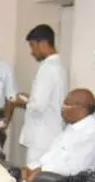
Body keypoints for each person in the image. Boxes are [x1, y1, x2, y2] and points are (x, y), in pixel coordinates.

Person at [20, 88, 95, 182]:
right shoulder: (72, 127)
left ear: (81, 109)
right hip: (44, 178)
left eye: (66, 105)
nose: (62, 108)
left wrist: (40, 171)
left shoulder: (92, 134)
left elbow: (74, 169)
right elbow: (52, 155)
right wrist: (31, 167)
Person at [12, 24, 68, 165]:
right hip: (52, 132)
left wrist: (22, 101)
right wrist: (30, 99)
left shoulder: (47, 68)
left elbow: (38, 106)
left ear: (42, 43)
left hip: (41, 136)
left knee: (33, 178)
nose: (32, 51)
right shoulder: (60, 66)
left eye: (32, 46)